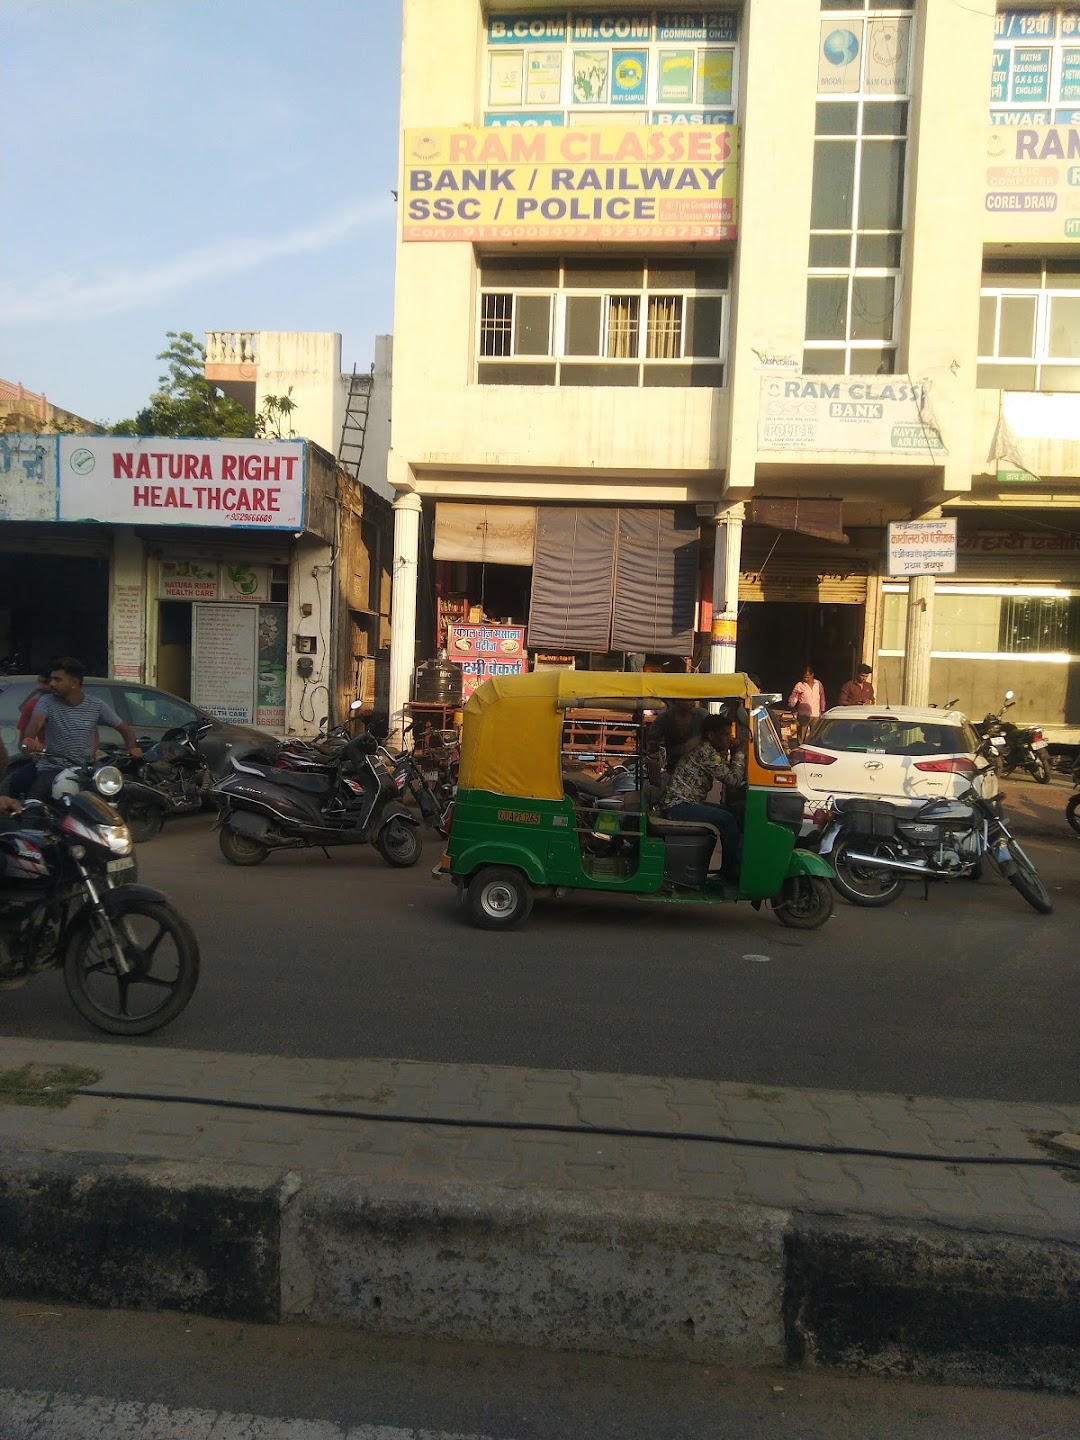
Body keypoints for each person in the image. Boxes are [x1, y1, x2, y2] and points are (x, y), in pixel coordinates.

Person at [20, 657, 142, 800]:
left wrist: (132, 747)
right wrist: (29, 741)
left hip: (86, 770)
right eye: (51, 679)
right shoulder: (46, 702)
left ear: (74, 683)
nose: (52, 684)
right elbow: (35, 724)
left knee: (110, 803)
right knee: (35, 804)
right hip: (52, 768)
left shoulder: (97, 705)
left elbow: (125, 729)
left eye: (57, 680)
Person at [663, 714, 746, 880]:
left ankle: (729, 868)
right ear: (711, 735)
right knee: (727, 819)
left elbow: (724, 769)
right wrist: (740, 754)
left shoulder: (710, 750)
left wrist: (731, 750)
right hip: (678, 806)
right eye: (725, 734)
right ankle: (730, 873)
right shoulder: (705, 752)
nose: (729, 738)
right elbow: (733, 779)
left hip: (687, 803)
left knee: (729, 813)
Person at [646, 699, 705, 778]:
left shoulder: (701, 715)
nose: (693, 703)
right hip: (673, 769)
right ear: (677, 700)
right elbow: (652, 745)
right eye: (688, 699)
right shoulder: (664, 719)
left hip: (699, 770)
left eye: (694, 699)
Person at [788, 666, 826, 744]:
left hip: (815, 714)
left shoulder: (818, 684)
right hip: (803, 714)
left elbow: (822, 697)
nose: (806, 679)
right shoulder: (799, 685)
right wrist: (792, 706)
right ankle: (800, 749)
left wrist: (822, 710)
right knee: (801, 735)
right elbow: (794, 697)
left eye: (808, 677)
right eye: (804, 677)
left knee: (815, 735)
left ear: (812, 675)